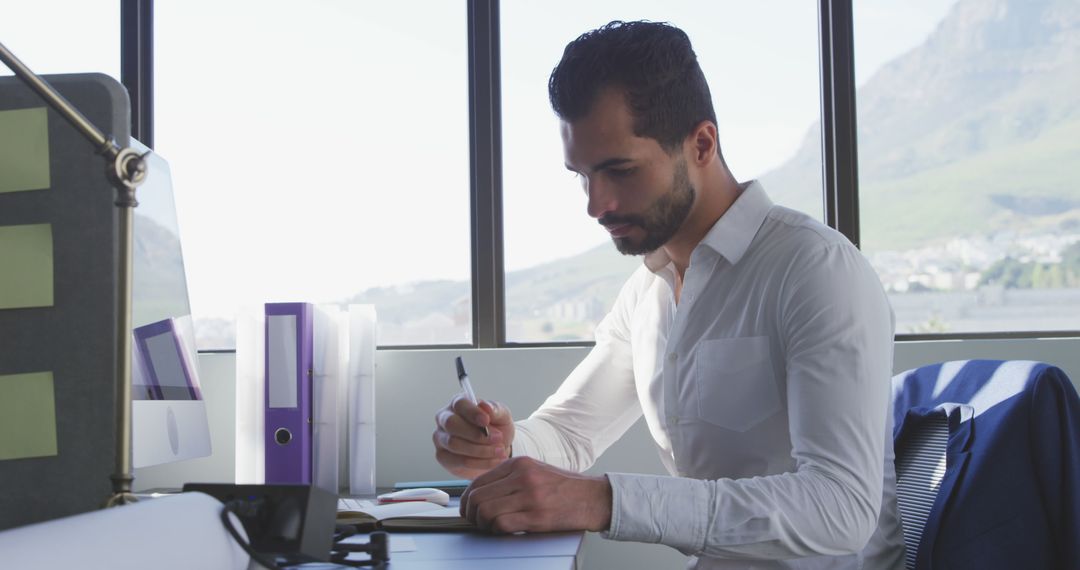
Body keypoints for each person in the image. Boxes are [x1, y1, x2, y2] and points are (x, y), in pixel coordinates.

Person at [432, 20, 905, 569]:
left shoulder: (816, 270)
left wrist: (602, 500)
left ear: (701, 143)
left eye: (620, 170)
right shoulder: (646, 294)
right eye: (582, 175)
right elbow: (567, 434)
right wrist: (501, 445)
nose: (596, 203)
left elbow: (840, 510)